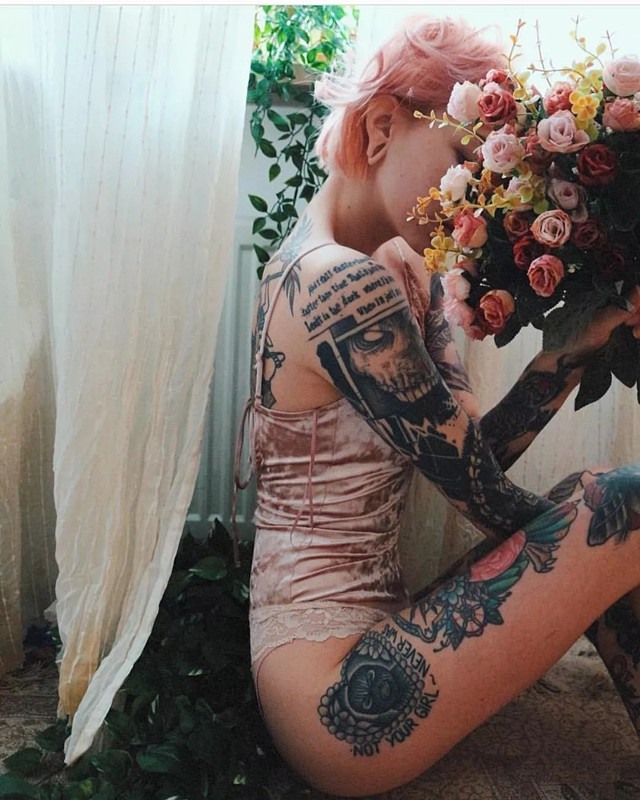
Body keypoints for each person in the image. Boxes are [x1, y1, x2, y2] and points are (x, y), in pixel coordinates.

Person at [239, 15, 640, 796]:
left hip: (378, 636)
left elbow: (470, 459)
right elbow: (483, 497)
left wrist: (569, 350)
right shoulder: (335, 282)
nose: (477, 194)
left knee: (596, 508)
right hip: (328, 699)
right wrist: (594, 539)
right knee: (613, 505)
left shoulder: (397, 264)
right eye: (462, 158)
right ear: (381, 126)